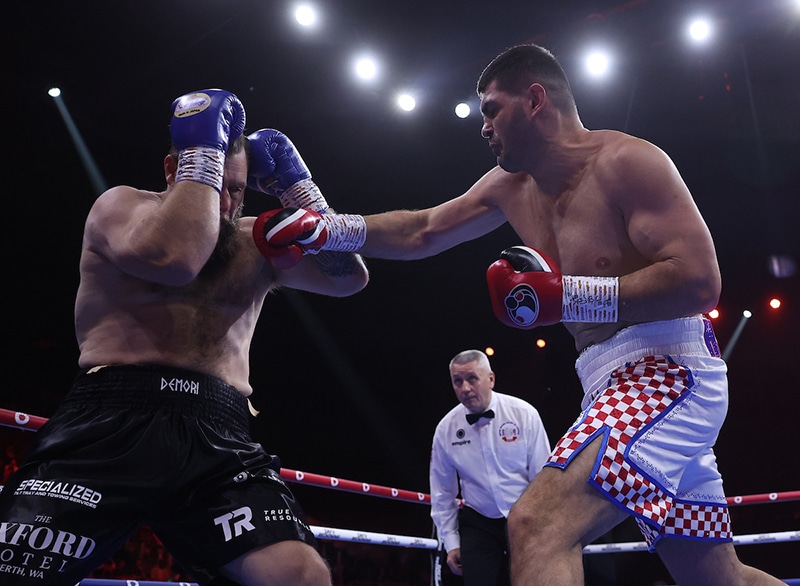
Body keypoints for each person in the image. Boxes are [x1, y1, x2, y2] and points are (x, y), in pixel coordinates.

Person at [255, 45, 783, 584]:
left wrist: (566, 296)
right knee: (719, 578)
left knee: (537, 523)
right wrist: (328, 229)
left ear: (535, 99)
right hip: (608, 382)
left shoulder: (626, 162)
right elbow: (423, 229)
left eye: (490, 108)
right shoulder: (509, 186)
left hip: (665, 374)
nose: (482, 126)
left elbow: (699, 280)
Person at [0, 88, 368, 586]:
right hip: (107, 425)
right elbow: (177, 259)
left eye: (239, 189)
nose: (230, 200)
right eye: (218, 181)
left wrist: (297, 190)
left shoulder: (251, 241)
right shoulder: (123, 208)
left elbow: (348, 278)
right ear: (176, 168)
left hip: (217, 439)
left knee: (301, 575)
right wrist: (203, 156)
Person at [430, 349, 550, 585]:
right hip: (479, 521)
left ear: (491, 379)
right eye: (457, 381)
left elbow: (542, 477)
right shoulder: (446, 429)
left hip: (525, 515)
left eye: (472, 378)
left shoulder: (524, 414)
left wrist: (544, 526)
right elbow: (442, 492)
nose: (465, 388)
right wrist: (452, 542)